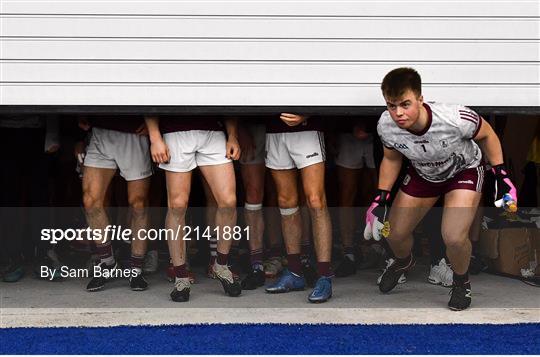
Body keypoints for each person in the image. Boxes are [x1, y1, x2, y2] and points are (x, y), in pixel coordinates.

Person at [364, 67, 517, 311]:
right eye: (392, 106)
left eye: (405, 104)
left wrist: (502, 177)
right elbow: (391, 159)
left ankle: (461, 282)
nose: (399, 113)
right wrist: (380, 198)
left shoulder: (453, 117)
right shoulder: (386, 124)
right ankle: (403, 262)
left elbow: (487, 135)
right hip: (424, 174)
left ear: (420, 99)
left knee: (454, 237)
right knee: (392, 233)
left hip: (463, 170)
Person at [145, 115, 241, 302]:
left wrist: (232, 134)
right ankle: (181, 277)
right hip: (175, 131)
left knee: (228, 201)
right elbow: (151, 91)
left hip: (213, 131)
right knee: (177, 206)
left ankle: (221, 265)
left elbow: (227, 94)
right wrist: (155, 137)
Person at [264, 113, 333, 303]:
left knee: (315, 200)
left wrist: (307, 112)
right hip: (275, 128)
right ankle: (295, 272)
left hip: (308, 129)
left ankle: (324, 276)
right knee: (286, 201)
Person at [82, 115, 152, 292]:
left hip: (133, 132)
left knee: (138, 204)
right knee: (90, 201)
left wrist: (155, 122)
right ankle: (108, 263)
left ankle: (136, 269)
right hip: (101, 130)